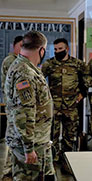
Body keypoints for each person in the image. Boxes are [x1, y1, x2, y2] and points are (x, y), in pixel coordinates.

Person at [4, 31, 55, 180]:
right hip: (31, 145)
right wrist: (28, 149)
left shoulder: (27, 67)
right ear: (42, 50)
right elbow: (24, 114)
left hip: (40, 142)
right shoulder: (24, 73)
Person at [41, 38, 87, 167]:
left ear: (67, 49)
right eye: (55, 49)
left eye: (60, 49)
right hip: (54, 107)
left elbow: (86, 79)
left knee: (70, 136)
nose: (57, 51)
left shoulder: (77, 64)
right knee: (52, 136)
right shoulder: (49, 64)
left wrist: (82, 94)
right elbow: (39, 80)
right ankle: (53, 161)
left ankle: (67, 159)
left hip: (71, 107)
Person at [0, 35, 23, 181]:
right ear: (14, 46)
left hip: (16, 107)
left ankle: (9, 170)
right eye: (21, 45)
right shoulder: (11, 61)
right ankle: (7, 172)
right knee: (11, 139)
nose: (23, 48)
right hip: (13, 107)